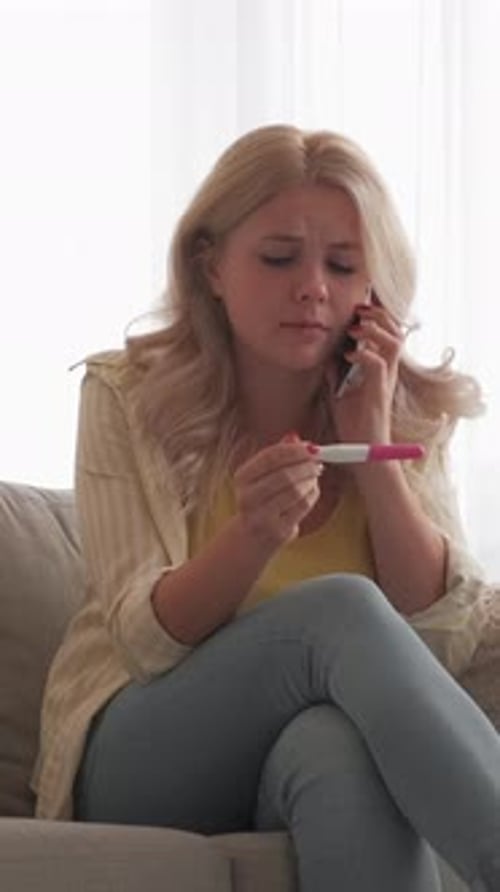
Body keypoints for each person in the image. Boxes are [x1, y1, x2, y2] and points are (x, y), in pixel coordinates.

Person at [32, 124, 499, 891]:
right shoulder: (126, 395)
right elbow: (144, 644)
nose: (313, 286)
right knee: (341, 611)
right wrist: (251, 535)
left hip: (294, 752)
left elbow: (441, 648)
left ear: (373, 287)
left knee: (336, 750)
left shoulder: (407, 413)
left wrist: (376, 455)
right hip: (144, 749)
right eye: (279, 258)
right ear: (211, 266)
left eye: (344, 265)